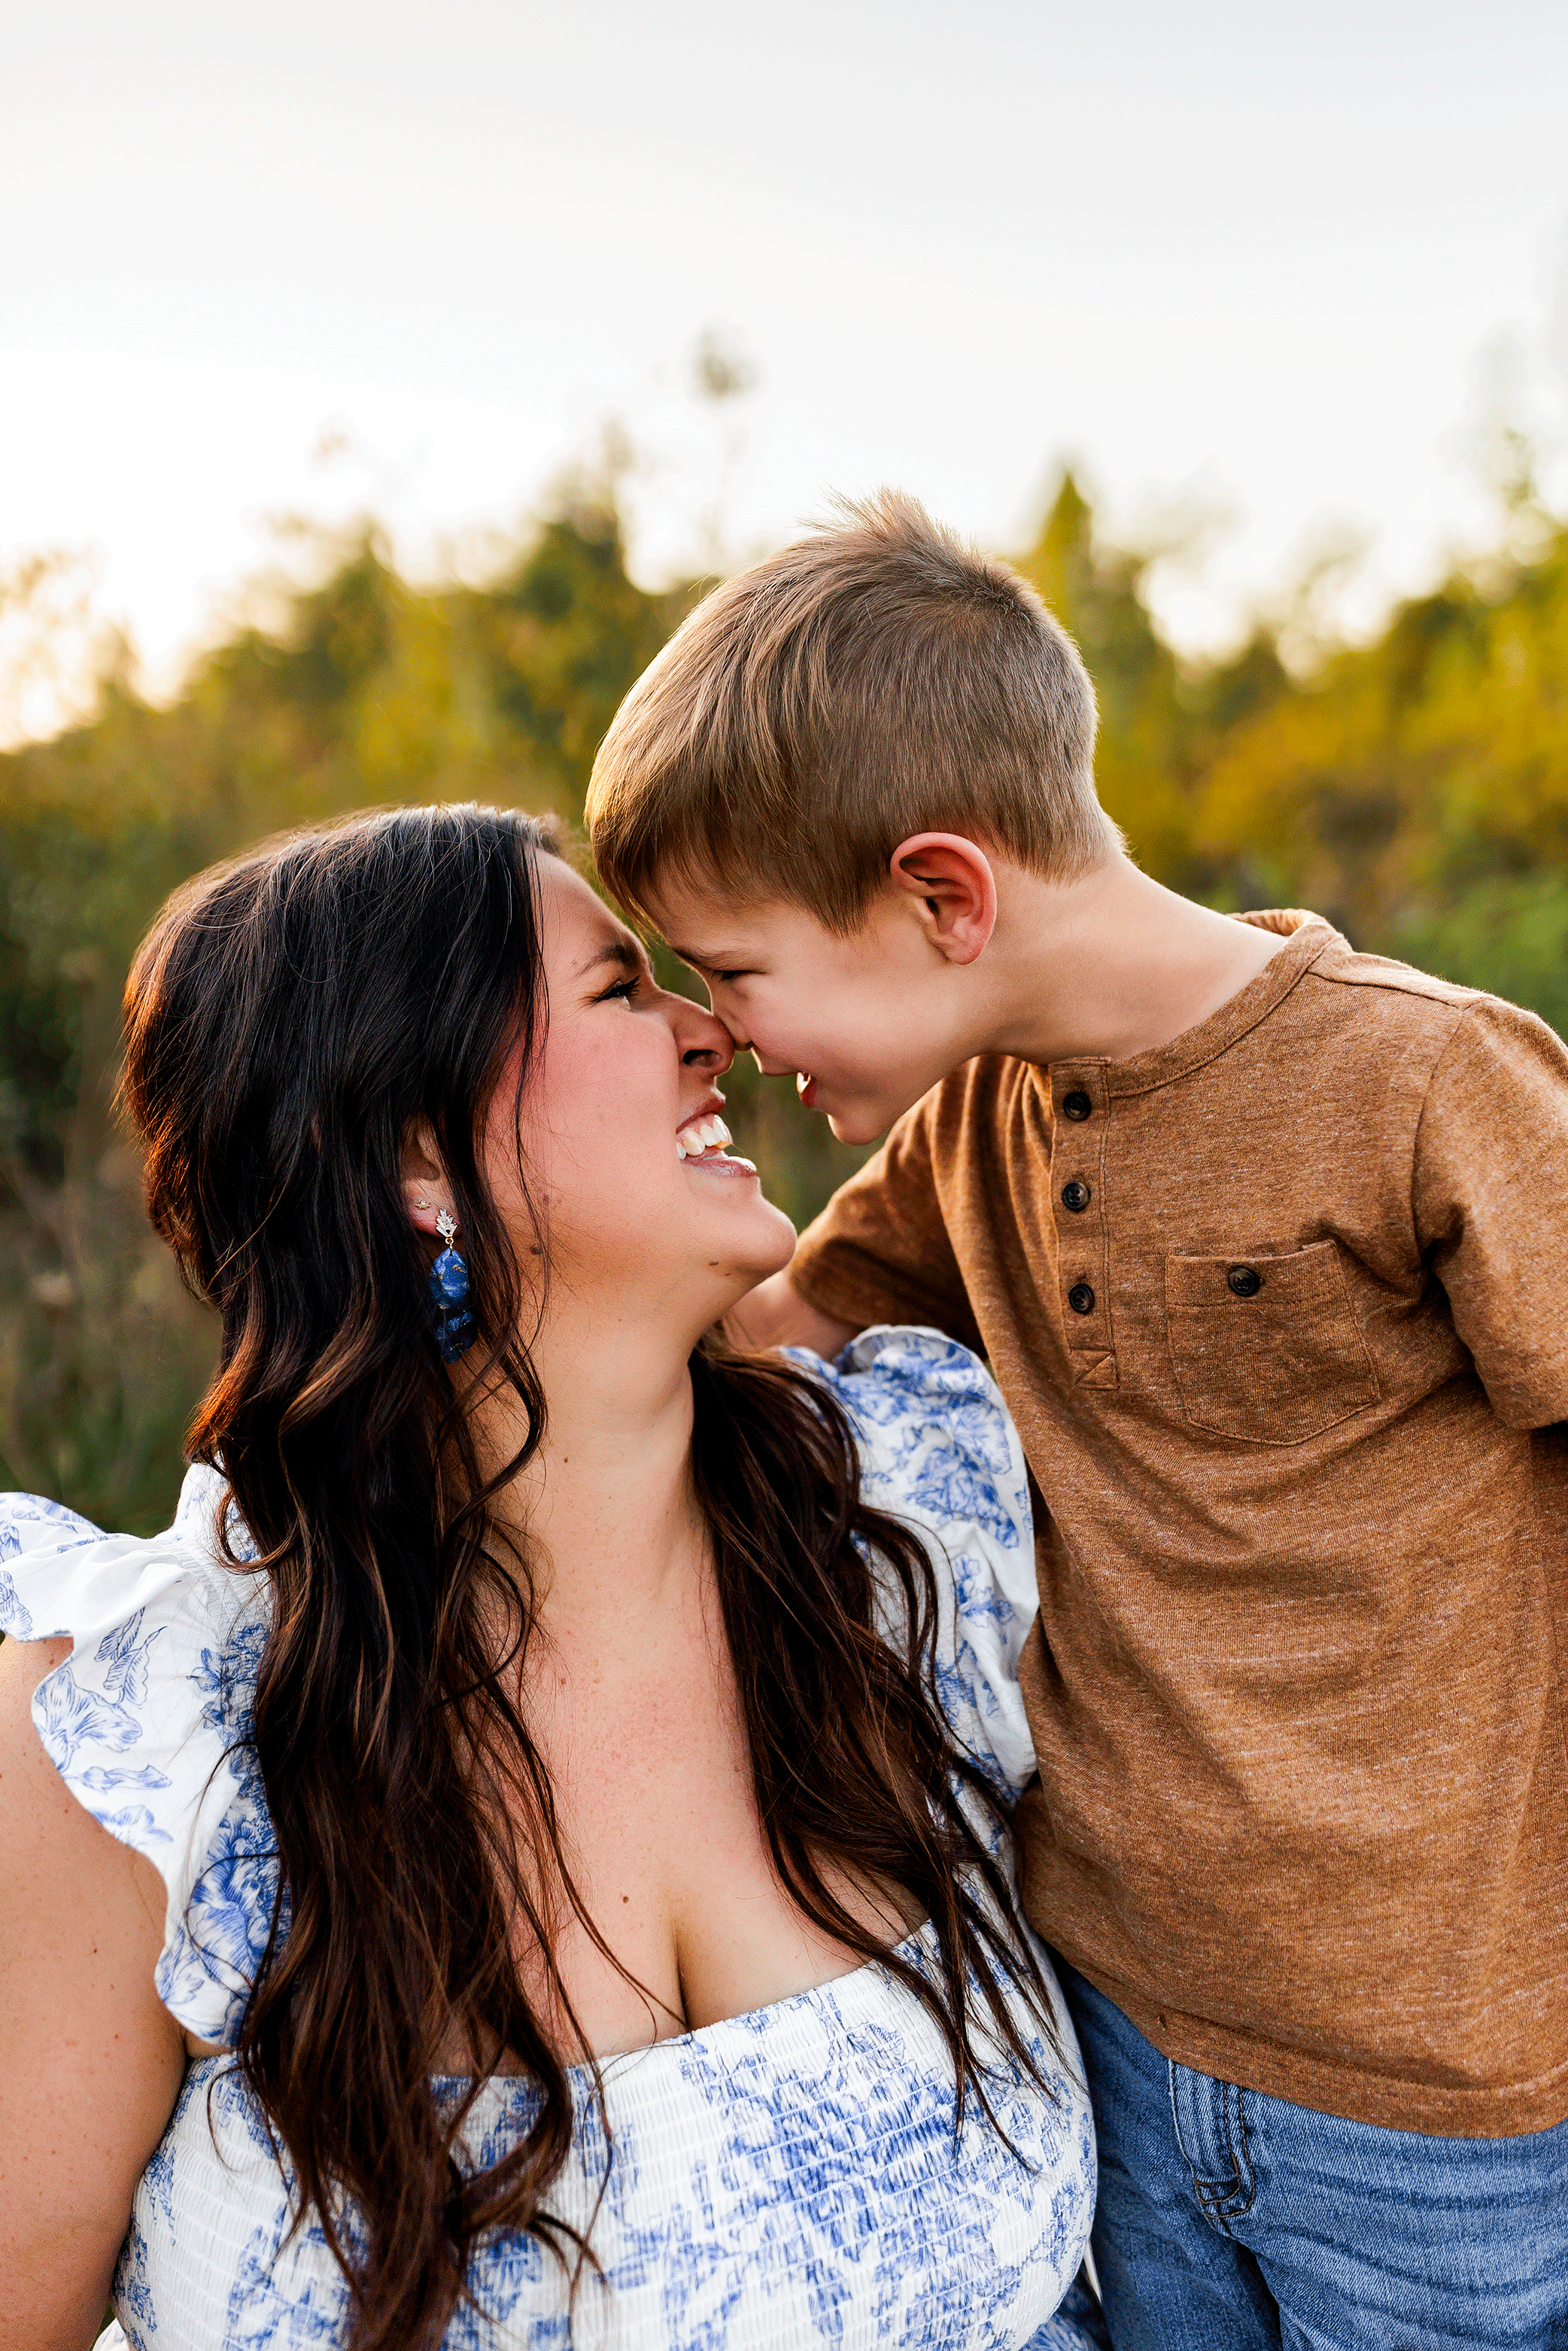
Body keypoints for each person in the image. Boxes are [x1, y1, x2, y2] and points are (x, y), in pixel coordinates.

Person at [584, 493, 1568, 2349]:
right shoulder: (974, 1128)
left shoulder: (1429, 1079)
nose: (723, 1028)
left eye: (735, 966)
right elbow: (774, 1333)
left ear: (941, 894)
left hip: (1443, 2092)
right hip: (1114, 2028)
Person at [0, 806, 1105, 2351]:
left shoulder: (916, 1524)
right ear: (406, 1152)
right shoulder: (139, 1735)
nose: (709, 1028)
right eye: (617, 990)